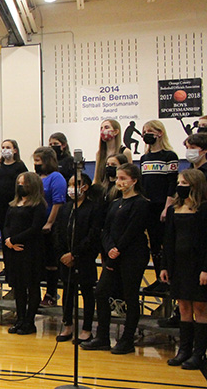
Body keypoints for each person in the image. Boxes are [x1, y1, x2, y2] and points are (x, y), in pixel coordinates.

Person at [82, 163, 149, 355]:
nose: (119, 182)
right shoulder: (114, 203)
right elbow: (105, 229)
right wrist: (110, 247)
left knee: (130, 296)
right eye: (118, 178)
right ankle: (102, 336)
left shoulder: (141, 203)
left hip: (132, 255)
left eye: (123, 178)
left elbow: (133, 230)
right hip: (113, 254)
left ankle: (127, 339)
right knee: (101, 292)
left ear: (134, 181)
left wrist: (118, 248)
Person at [160, 169, 207, 370]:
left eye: (184, 183)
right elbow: (168, 240)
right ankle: (184, 350)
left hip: (198, 265)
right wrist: (164, 266)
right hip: (178, 264)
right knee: (184, 307)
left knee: (200, 308)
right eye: (179, 182)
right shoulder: (174, 210)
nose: (180, 186)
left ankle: (199, 352)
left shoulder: (203, 209)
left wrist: (206, 269)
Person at [54, 173, 103, 343]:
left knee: (87, 293)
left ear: (85, 187)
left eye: (76, 184)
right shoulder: (65, 208)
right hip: (65, 259)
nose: (72, 188)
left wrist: (75, 254)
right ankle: (67, 326)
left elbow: (93, 235)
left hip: (83, 258)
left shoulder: (93, 208)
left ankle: (87, 329)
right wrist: (62, 254)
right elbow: (58, 231)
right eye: (70, 184)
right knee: (68, 293)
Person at [3, 172, 47, 335]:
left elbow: (35, 228)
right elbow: (6, 224)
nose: (21, 186)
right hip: (13, 250)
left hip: (30, 250)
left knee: (32, 286)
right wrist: (9, 240)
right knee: (18, 287)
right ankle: (20, 319)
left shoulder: (38, 205)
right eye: (19, 183)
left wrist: (14, 239)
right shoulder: (13, 204)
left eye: (24, 184)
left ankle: (30, 321)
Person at [139, 120, 179, 294]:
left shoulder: (169, 156)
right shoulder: (144, 158)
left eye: (149, 131)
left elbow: (172, 183)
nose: (146, 134)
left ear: (159, 133)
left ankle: (169, 277)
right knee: (154, 244)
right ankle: (158, 278)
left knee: (165, 243)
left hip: (163, 205)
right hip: (149, 206)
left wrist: (167, 206)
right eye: (144, 131)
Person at [33, 147, 67, 307]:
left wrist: (50, 223)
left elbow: (58, 202)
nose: (35, 164)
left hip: (51, 225)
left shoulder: (56, 177)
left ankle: (51, 293)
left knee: (51, 261)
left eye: (38, 161)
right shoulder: (36, 177)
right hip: (36, 225)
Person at [0, 139, 27, 282]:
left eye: (8, 147)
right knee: (4, 235)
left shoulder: (20, 166)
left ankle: (16, 266)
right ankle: (7, 266)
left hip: (15, 204)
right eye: (3, 147)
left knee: (15, 234)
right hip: (1, 204)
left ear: (15, 150)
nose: (5, 149)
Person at [94, 119, 133, 184]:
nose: (103, 130)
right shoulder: (99, 153)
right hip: (104, 189)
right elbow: (96, 178)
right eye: (101, 128)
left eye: (106, 127)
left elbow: (130, 175)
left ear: (115, 131)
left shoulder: (125, 152)